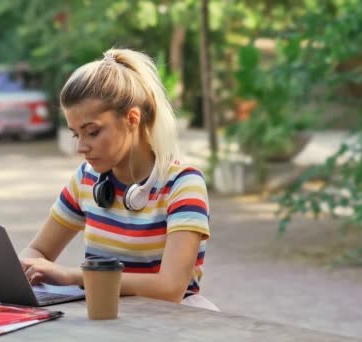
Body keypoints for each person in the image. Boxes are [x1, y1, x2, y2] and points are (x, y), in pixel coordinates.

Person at [18, 48, 218, 311]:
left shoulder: (183, 184)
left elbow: (170, 288)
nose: (82, 147)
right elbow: (38, 252)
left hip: (172, 321)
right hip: (106, 314)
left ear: (132, 119)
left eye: (92, 132)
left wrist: (75, 276)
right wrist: (22, 271)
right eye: (76, 135)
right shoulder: (86, 179)